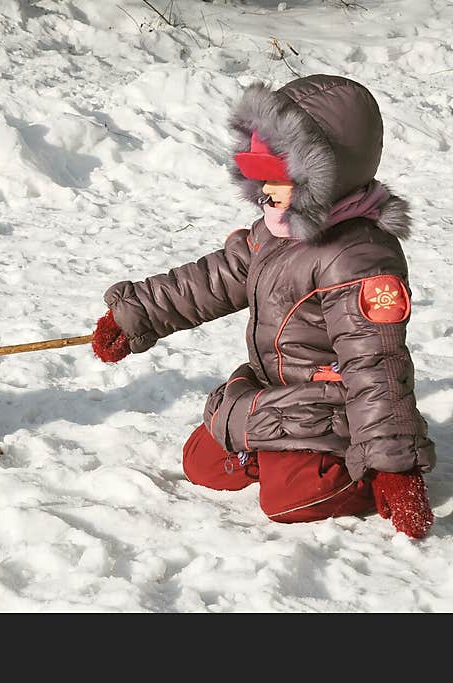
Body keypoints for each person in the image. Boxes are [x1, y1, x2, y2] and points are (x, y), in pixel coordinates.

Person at [92, 74, 436, 539]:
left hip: (335, 405)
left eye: (277, 177)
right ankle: (276, 449)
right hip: (276, 390)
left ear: (325, 176)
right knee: (201, 464)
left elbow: (376, 364)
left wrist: (397, 469)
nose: (263, 190)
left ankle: (362, 471)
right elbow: (213, 279)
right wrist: (137, 313)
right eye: (259, 175)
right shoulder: (276, 230)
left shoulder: (359, 260)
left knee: (291, 500)